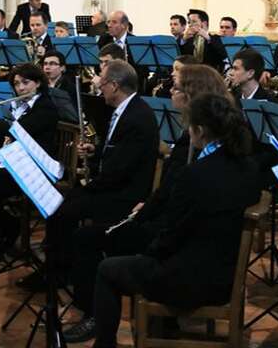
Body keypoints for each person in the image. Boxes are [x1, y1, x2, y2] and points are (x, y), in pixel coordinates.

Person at [64, 64, 233, 342]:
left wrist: (144, 225)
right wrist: (145, 210)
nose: (169, 90)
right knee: (95, 234)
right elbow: (169, 192)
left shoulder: (198, 155)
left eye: (175, 86)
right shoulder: (202, 143)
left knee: (88, 240)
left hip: (178, 248)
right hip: (174, 231)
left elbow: (177, 203)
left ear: (191, 95)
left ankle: (94, 318)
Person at [90, 93, 260, 348]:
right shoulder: (248, 166)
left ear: (200, 131)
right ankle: (161, 327)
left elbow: (171, 234)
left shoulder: (194, 174)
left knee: (107, 269)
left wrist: (147, 253)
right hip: (226, 274)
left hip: (193, 282)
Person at [51, 60, 159, 274]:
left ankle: (59, 273)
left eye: (102, 79)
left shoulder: (137, 118)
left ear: (115, 85)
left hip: (123, 195)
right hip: (113, 185)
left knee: (62, 213)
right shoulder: (126, 109)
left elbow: (120, 170)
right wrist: (95, 151)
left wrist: (89, 187)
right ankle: (63, 266)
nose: (98, 84)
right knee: (64, 203)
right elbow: (115, 149)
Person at [0, 63, 59, 265]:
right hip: (14, 161)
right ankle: (4, 231)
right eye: (17, 84)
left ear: (38, 83)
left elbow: (16, 133)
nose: (21, 88)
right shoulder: (19, 106)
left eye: (26, 83)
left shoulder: (45, 107)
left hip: (33, 168)